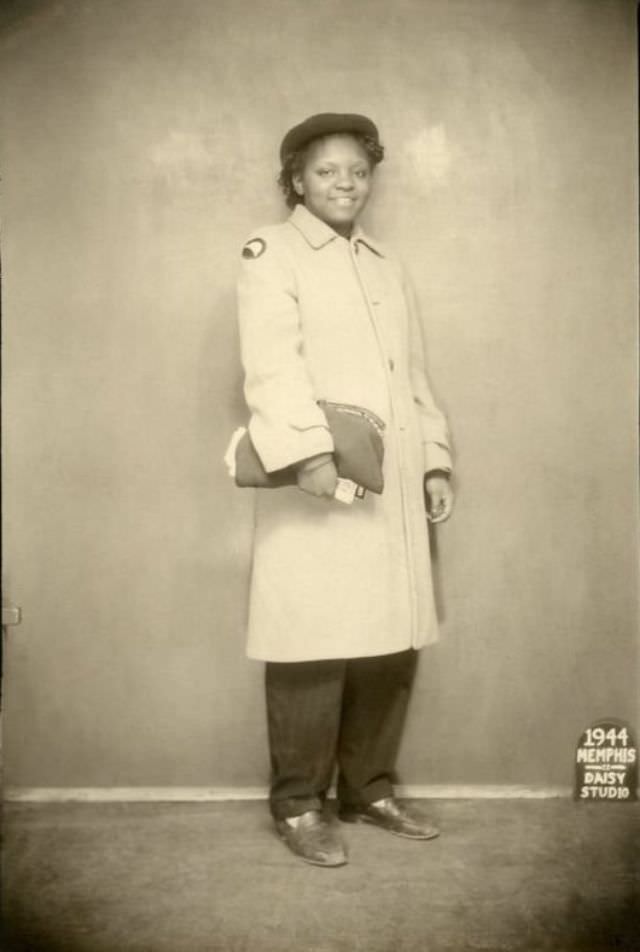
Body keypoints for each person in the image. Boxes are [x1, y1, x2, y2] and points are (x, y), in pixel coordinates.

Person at [234, 113, 454, 867]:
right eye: (326, 171)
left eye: (357, 171)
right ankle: (299, 804)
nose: (344, 184)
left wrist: (434, 462)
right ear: (297, 178)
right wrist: (308, 458)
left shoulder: (385, 264)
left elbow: (411, 375)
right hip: (320, 482)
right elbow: (270, 365)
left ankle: (368, 789)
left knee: (390, 639)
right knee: (311, 641)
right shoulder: (273, 253)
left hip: (389, 487)